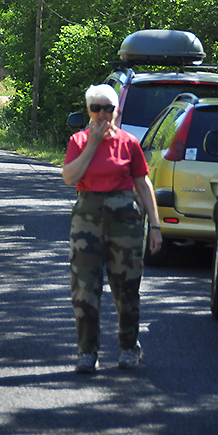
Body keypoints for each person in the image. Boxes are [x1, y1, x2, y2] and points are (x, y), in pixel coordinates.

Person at [62, 83, 162, 374]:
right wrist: (93, 145)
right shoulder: (79, 140)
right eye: (97, 108)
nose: (103, 114)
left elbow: (143, 184)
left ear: (117, 111)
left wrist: (155, 226)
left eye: (109, 108)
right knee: (84, 288)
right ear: (90, 111)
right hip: (87, 218)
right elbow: (69, 176)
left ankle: (129, 347)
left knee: (127, 287)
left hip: (125, 219)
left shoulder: (129, 142)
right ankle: (86, 352)